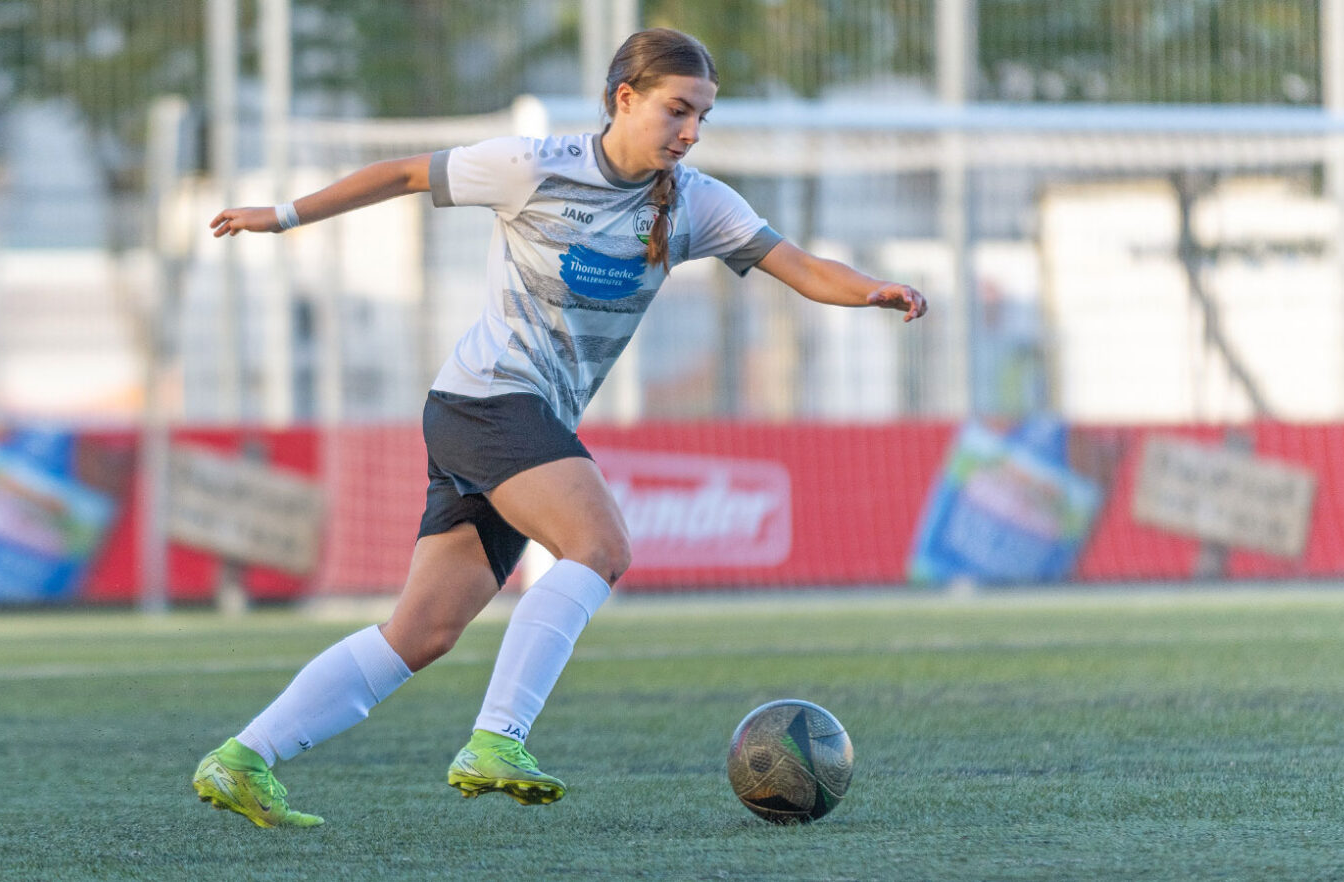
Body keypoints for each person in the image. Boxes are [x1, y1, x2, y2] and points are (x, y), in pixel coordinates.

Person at [192, 27, 927, 829]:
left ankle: (242, 758)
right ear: (624, 98)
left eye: (702, 118)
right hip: (489, 403)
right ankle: (496, 741)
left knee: (423, 630)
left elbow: (803, 266)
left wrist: (872, 292)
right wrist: (285, 215)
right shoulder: (533, 165)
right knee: (601, 547)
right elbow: (405, 172)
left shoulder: (696, 204)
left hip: (495, 418)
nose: (689, 132)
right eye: (677, 110)